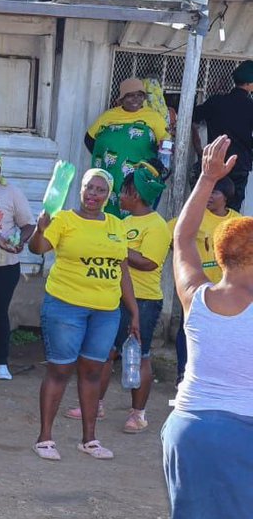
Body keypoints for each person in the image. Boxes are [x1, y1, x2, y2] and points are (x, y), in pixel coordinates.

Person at [151, 134, 253, 519]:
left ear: (222, 254)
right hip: (237, 434)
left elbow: (181, 239)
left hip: (184, 425)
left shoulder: (198, 295)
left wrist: (207, 179)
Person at [29, 168, 140, 461]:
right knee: (60, 369)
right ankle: (45, 438)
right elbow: (38, 248)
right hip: (66, 306)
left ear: (109, 195)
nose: (93, 195)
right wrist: (41, 228)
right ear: (80, 189)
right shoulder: (63, 219)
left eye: (100, 190)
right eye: (89, 188)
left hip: (105, 311)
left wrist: (134, 311)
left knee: (94, 371)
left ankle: (89, 440)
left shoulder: (116, 224)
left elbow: (122, 269)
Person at [86, 164, 171, 433]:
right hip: (114, 297)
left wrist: (119, 247)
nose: (118, 196)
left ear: (135, 193)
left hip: (144, 301)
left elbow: (148, 262)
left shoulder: (156, 226)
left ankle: (138, 414)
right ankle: (95, 406)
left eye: (123, 191)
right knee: (106, 353)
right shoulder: (122, 223)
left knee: (140, 356)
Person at [167, 176, 237, 383]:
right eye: (209, 191)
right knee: (188, 328)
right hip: (196, 288)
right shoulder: (195, 216)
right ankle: (183, 374)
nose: (209, 196)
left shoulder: (236, 221)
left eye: (215, 192)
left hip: (224, 290)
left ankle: (213, 376)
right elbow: (172, 234)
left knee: (219, 332)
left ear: (226, 197)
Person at [0, 149, 36, 381]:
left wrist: (19, 242)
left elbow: (28, 225)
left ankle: (2, 364)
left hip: (4, 265)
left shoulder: (11, 192)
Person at [84, 77, 170, 216]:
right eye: (130, 95)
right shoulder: (109, 116)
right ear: (122, 99)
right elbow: (89, 139)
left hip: (138, 179)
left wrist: (160, 168)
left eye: (139, 95)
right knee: (109, 212)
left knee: (135, 211)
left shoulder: (153, 117)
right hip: (111, 175)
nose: (135, 99)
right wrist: (104, 158)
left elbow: (166, 144)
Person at [193, 61, 253, 211]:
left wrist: (199, 148)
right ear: (249, 83)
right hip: (239, 165)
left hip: (214, 162)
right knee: (232, 209)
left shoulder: (216, 102)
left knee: (206, 206)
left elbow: (191, 117)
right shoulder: (250, 106)